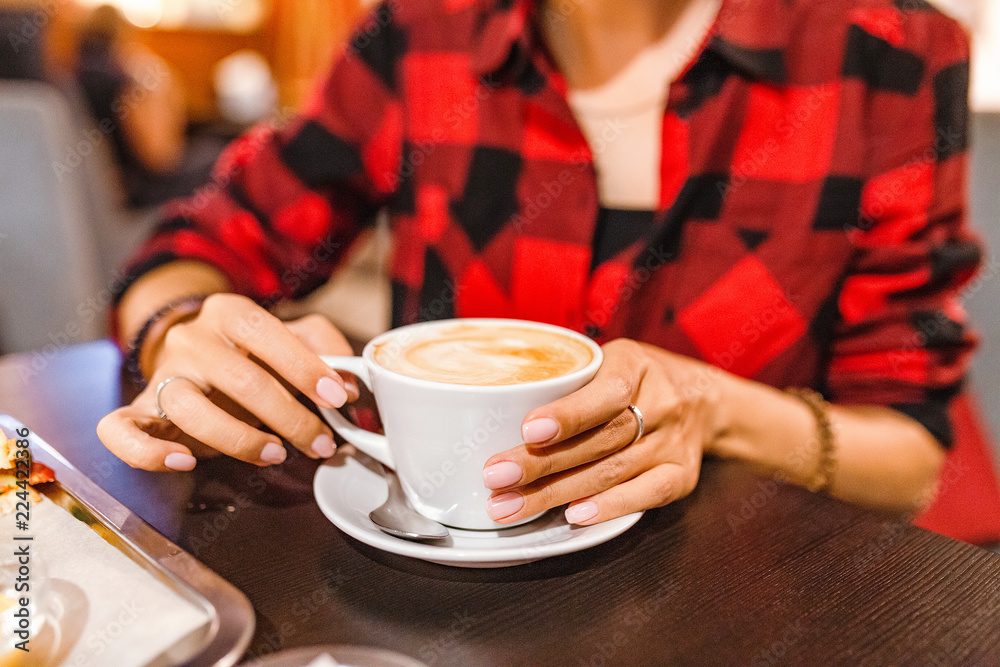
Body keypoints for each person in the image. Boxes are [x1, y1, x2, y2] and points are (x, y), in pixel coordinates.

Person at [97, 0, 981, 528]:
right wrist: (179, 330)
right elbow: (206, 242)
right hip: (442, 598)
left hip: (740, 597)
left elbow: (910, 454)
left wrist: (714, 409)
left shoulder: (887, 55)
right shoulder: (425, 33)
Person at [74, 5, 216, 208]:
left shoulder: (70, 80)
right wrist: (165, 89)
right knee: (217, 153)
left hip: (100, 191)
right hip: (138, 192)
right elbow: (160, 157)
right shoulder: (125, 84)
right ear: (123, 37)